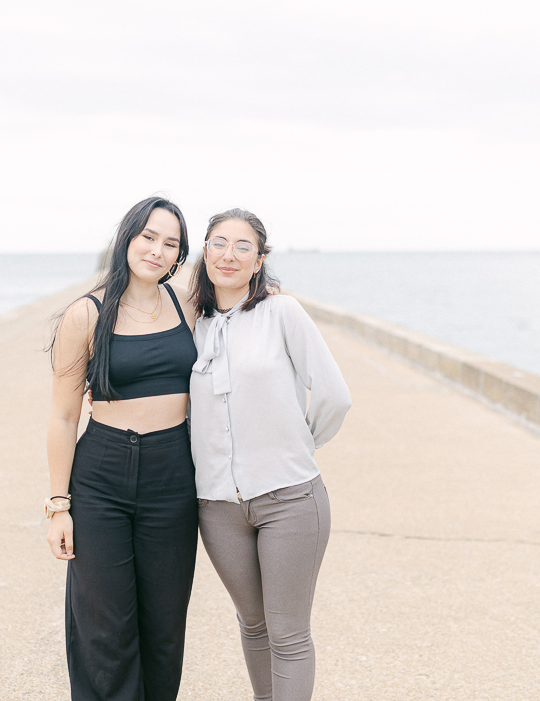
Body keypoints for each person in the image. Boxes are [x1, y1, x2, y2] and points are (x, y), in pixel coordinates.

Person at [189, 208, 351, 701]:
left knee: (288, 633)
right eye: (219, 243)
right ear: (205, 251)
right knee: (253, 625)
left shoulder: (283, 313)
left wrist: (300, 446)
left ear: (260, 260)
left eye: (243, 246)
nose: (229, 255)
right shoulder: (190, 324)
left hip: (289, 499)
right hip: (217, 507)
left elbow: (334, 395)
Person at [46, 197, 199, 701]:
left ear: (179, 255)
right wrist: (58, 505)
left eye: (170, 243)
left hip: (172, 475)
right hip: (102, 478)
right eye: (148, 236)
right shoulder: (84, 315)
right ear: (127, 238)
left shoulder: (187, 303)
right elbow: (65, 416)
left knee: (163, 628)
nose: (156, 249)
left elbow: (242, 281)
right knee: (104, 630)